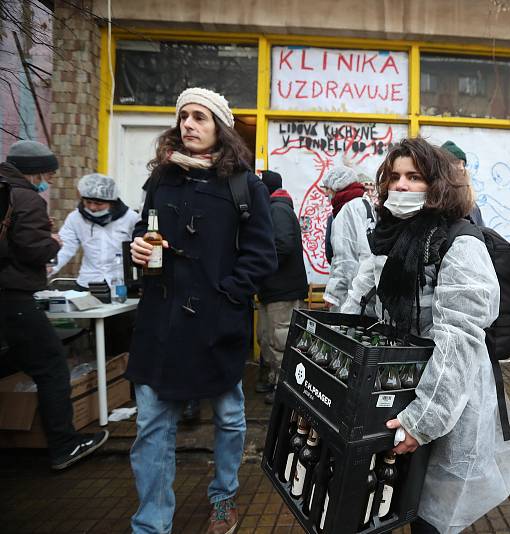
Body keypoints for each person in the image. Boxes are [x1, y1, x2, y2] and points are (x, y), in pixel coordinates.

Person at [341, 138, 510, 534]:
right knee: (390, 500)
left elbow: (459, 340)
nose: (401, 186)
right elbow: (361, 303)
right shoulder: (386, 237)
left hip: (447, 400)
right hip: (395, 390)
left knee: (431, 518)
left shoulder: (459, 242)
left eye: (414, 177)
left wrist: (423, 420)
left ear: (437, 184)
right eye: (394, 177)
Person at [127, 87, 277, 534]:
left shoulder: (244, 185)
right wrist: (137, 247)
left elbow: (262, 255)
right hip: (160, 322)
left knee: (230, 419)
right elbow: (143, 228)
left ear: (220, 128)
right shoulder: (161, 179)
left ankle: (224, 497)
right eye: (184, 117)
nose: (188, 125)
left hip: (216, 324)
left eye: (200, 118)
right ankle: (151, 523)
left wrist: (227, 295)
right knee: (152, 427)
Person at [0, 140, 108, 470]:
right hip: (13, 295)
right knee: (51, 365)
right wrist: (51, 243)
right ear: (33, 173)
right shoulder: (27, 198)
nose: (46, 180)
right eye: (46, 173)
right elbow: (35, 250)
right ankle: (64, 445)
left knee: (13, 360)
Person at [255, 170, 307, 403]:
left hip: (282, 291)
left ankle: (285, 388)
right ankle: (276, 380)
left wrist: (258, 265)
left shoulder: (277, 209)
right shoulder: (276, 208)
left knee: (281, 340)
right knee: (267, 338)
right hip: (272, 290)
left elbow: (283, 245)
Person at [50, 173, 139, 288]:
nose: (92, 207)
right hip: (88, 281)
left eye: (99, 204)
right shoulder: (75, 218)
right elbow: (66, 246)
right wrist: (51, 267)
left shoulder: (130, 218)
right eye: (88, 202)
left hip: (120, 282)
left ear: (111, 202)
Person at [322, 166, 374, 312]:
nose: (326, 193)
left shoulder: (347, 210)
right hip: (368, 287)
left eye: (328, 188)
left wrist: (332, 295)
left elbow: (344, 258)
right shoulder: (364, 204)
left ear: (337, 185)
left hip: (352, 291)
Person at [440, 140, 484, 226]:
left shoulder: (472, 206)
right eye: (456, 162)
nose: (461, 168)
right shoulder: (434, 202)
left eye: (463, 164)